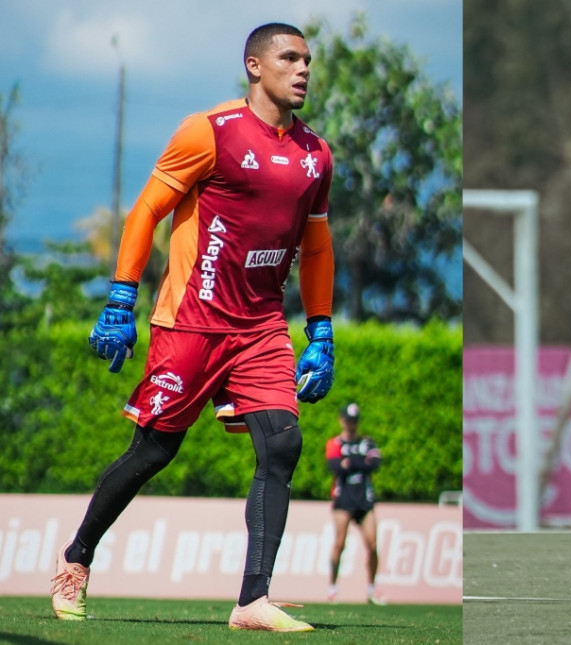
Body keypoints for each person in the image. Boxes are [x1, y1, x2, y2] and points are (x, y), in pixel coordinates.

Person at [49, 23, 336, 632]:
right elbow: (147, 210)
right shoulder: (210, 131)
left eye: (308, 59)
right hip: (192, 323)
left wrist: (322, 330)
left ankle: (253, 601)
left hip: (261, 328)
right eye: (289, 58)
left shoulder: (316, 154)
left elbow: (315, 249)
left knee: (282, 444)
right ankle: (76, 558)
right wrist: (121, 299)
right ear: (255, 67)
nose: (303, 69)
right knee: (154, 450)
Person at [326, 402, 385, 605]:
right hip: (343, 500)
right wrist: (359, 462)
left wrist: (349, 462)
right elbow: (334, 466)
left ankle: (372, 588)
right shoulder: (335, 443)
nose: (352, 424)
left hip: (364, 500)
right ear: (342, 420)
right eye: (349, 420)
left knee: (373, 544)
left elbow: (375, 463)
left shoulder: (368, 442)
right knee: (339, 544)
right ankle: (332, 587)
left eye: (355, 420)